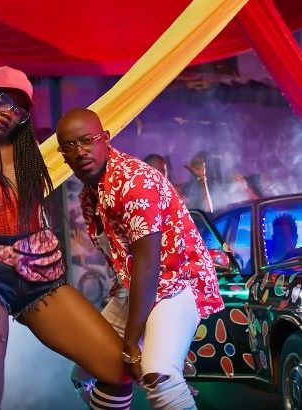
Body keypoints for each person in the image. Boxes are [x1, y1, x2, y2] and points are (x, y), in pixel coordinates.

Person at [0, 66, 134, 410]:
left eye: (19, 109)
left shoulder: (30, 154)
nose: (8, 112)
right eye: (2, 100)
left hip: (40, 276)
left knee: (118, 369)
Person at [56, 108, 225, 410]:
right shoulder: (91, 194)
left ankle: (171, 371)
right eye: (69, 146)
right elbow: (127, 263)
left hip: (176, 284)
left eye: (87, 140)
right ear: (63, 155)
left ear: (105, 139)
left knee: (158, 375)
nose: (80, 152)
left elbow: (148, 267)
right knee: (86, 371)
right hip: (136, 288)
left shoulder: (134, 182)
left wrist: (132, 344)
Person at [143, 153, 214, 213]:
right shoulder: (141, 200)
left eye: (163, 170)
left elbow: (207, 213)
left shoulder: (179, 193)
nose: (160, 174)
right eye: (155, 170)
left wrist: (201, 178)